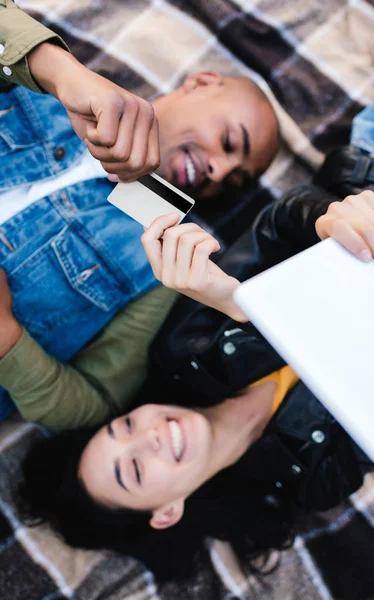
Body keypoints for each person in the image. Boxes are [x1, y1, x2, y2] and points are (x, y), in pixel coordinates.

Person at [16, 190, 374, 581]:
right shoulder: (315, 479)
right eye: (134, 469)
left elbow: (279, 224)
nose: (149, 436)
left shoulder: (183, 349)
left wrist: (325, 219)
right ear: (167, 512)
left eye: (126, 426)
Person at [0, 4, 278, 420]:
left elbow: (96, 403)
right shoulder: (48, 81)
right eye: (228, 140)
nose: (219, 171)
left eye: (234, 180)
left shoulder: (163, 267)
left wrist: (6, 336)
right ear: (202, 83)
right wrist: (58, 70)